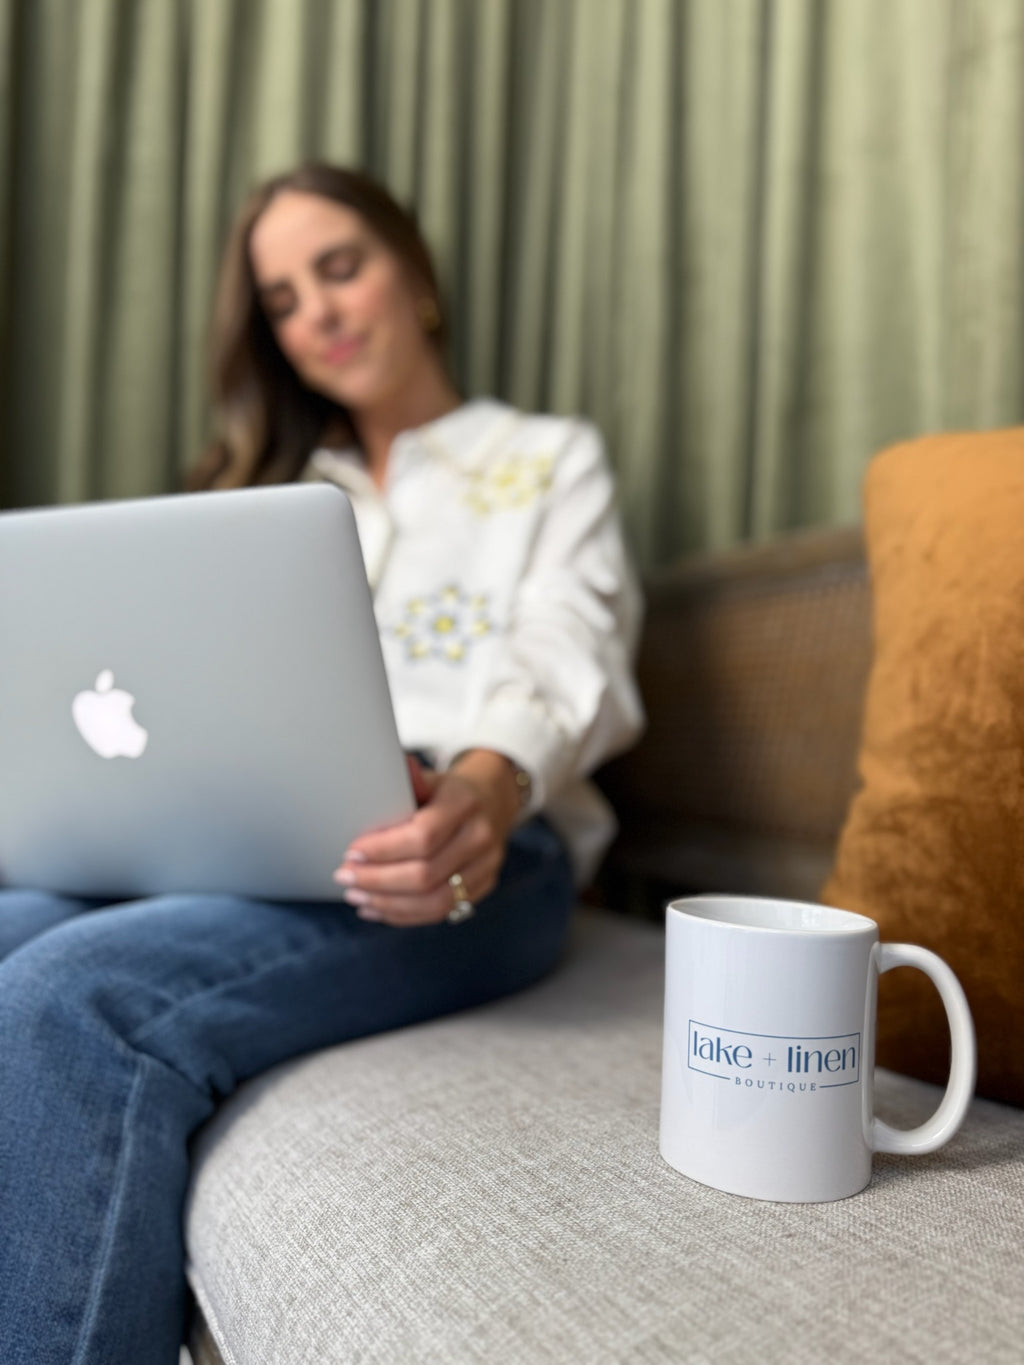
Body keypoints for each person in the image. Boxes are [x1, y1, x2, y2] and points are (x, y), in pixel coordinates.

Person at [0, 163, 643, 1364]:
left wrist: (485, 786)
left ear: (416, 274)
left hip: (471, 848)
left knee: (61, 1001)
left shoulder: (546, 460)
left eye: (339, 268)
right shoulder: (269, 498)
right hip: (237, 842)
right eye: (284, 300)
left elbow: (575, 649)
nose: (320, 314)